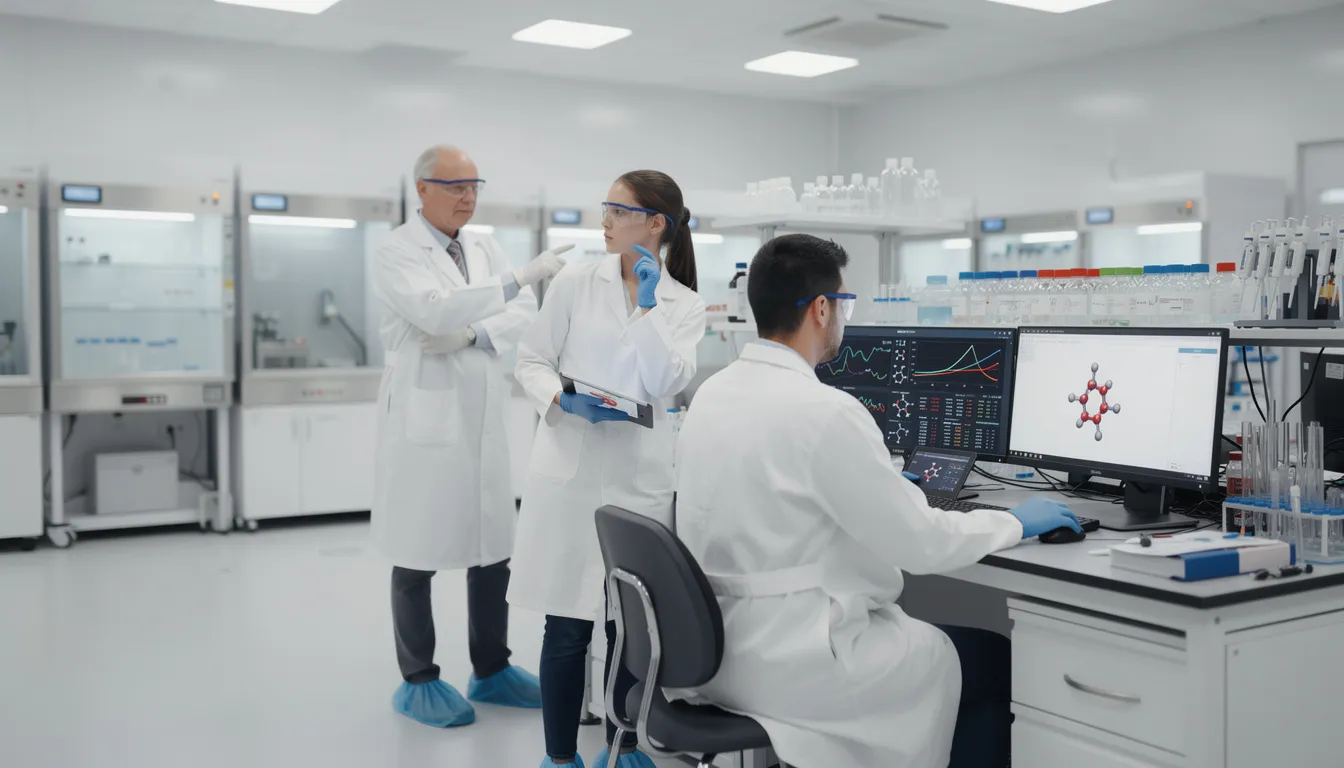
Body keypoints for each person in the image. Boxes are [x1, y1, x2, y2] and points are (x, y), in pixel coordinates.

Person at [673, 234, 1081, 768]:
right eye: (846, 302)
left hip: (720, 650)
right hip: (800, 659)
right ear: (821, 309)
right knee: (993, 661)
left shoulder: (715, 392)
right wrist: (1013, 522)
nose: (845, 315)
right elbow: (924, 545)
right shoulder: (825, 412)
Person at [371, 145, 572, 728]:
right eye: (455, 186)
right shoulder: (395, 251)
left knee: (492, 545)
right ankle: (418, 678)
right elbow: (434, 309)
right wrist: (509, 285)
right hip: (423, 414)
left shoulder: (481, 246)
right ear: (422, 189)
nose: (468, 197)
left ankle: (491, 668)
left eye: (475, 186)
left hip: (482, 403)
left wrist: (472, 335)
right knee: (417, 548)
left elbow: (521, 312)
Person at [512, 171, 708, 768]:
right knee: (567, 623)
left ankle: (623, 747)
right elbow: (531, 359)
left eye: (616, 211)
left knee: (630, 624)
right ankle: (559, 757)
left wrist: (648, 308)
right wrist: (559, 399)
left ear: (655, 224)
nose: (604, 220)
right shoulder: (575, 281)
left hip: (639, 476)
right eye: (605, 208)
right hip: (570, 470)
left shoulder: (684, 303)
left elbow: (666, 382)